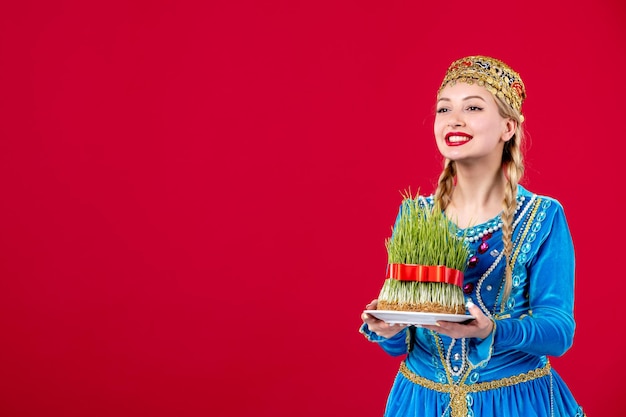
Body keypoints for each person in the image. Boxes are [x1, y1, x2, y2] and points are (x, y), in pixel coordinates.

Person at [359, 56, 585, 417]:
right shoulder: (414, 214)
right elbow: (401, 345)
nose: (454, 119)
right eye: (443, 109)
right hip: (421, 402)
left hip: (514, 402)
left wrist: (491, 329)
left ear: (507, 128)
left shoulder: (543, 215)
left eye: (474, 107)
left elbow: (559, 332)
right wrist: (389, 327)